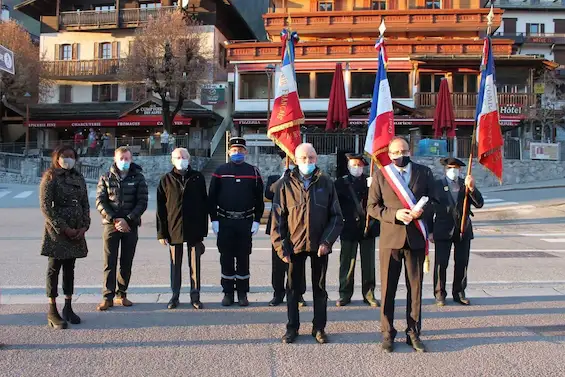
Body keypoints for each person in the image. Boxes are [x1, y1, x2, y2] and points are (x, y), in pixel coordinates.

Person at [367, 136, 435, 353]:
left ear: (410, 151)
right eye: (395, 152)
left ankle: (413, 333)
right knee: (388, 290)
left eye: (404, 151)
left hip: (415, 238)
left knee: (415, 290)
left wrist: (422, 211)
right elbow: (372, 207)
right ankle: (388, 333)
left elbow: (435, 201)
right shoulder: (381, 174)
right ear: (390, 153)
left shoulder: (424, 172)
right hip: (391, 239)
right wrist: (395, 214)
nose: (400, 156)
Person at [271, 143, 343, 344]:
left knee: (319, 289)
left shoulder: (326, 183)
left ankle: (319, 328)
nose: (307, 162)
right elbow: (278, 219)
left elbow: (337, 217)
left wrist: (327, 242)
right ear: (295, 160)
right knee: (293, 289)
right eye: (303, 158)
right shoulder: (285, 185)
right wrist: (280, 246)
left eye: (311, 158)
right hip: (294, 247)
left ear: (316, 158)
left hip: (319, 246)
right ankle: (292, 328)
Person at [209, 137, 264, 307]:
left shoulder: (253, 172)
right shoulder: (220, 171)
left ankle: (242, 293)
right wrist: (214, 220)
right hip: (225, 221)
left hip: (245, 221)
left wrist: (256, 220)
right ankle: (227, 293)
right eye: (234, 150)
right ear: (229, 152)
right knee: (226, 258)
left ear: (245, 152)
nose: (237, 153)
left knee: (243, 258)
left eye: (240, 150)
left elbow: (259, 199)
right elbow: (212, 197)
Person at [39, 145, 90, 329]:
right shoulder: (50, 177)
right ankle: (52, 309)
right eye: (64, 156)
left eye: (71, 155)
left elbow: (85, 203)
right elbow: (46, 207)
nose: (68, 159)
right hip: (57, 231)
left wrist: (84, 225)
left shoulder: (78, 177)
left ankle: (68, 306)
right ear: (57, 158)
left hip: (77, 228)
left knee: (70, 267)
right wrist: (64, 228)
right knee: (54, 268)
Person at [95, 146, 148, 311]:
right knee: (109, 262)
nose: (125, 162)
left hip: (130, 226)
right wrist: (114, 218)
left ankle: (122, 294)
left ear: (131, 159)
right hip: (111, 225)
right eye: (122, 158)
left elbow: (142, 202)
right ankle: (107, 296)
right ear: (115, 159)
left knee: (126, 261)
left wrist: (128, 219)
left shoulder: (138, 177)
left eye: (127, 158)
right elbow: (100, 201)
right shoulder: (106, 177)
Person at [157, 148, 208, 310]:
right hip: (174, 228)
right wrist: (161, 233)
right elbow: (160, 209)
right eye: (178, 157)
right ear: (172, 160)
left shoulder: (197, 177)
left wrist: (203, 231)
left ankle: (195, 296)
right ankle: (175, 296)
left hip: (194, 228)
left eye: (184, 157)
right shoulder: (166, 179)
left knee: (195, 264)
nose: (181, 159)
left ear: (189, 159)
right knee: (175, 264)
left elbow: (204, 204)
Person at [431, 157, 484, 306]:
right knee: (441, 263)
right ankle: (440, 293)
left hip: (463, 228)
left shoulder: (465, 184)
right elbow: (429, 209)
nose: (453, 171)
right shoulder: (437, 185)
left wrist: (472, 188)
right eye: (450, 168)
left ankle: (459, 292)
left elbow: (479, 203)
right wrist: (429, 231)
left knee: (462, 262)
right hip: (443, 228)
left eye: (456, 168)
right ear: (445, 169)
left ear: (460, 170)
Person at [334, 153, 380, 307]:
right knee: (347, 262)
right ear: (348, 166)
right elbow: (336, 205)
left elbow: (379, 202)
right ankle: (345, 294)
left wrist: (373, 187)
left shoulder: (372, 181)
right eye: (354, 165)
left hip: (368, 227)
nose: (357, 168)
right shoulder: (340, 183)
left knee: (368, 264)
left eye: (359, 165)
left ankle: (369, 294)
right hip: (348, 227)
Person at [264, 152, 306, 307]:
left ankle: (298, 294)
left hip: (297, 228)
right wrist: (284, 178)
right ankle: (278, 293)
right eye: (288, 161)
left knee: (297, 264)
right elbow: (269, 193)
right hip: (278, 227)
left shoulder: (302, 180)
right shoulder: (275, 178)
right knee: (278, 264)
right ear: (283, 163)